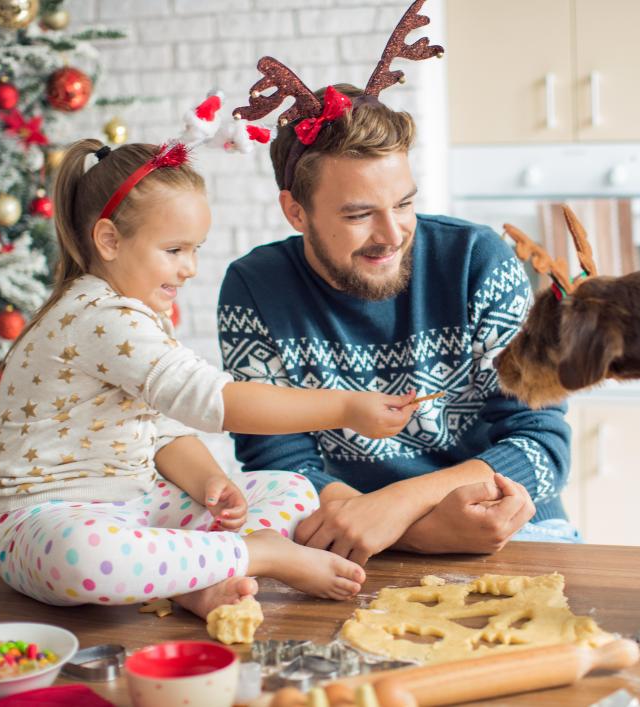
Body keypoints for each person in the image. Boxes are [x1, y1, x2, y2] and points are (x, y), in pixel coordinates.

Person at [0, 138, 417, 618]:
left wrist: (210, 481)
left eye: (195, 249)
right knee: (83, 557)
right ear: (109, 240)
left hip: (137, 504)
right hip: (43, 521)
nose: (189, 269)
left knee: (292, 490)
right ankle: (257, 554)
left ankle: (195, 581)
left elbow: (162, 428)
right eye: (174, 250)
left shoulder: (137, 315)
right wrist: (345, 408)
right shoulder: (100, 316)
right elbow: (214, 401)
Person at [218, 83, 576, 567]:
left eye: (404, 204)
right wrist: (417, 535)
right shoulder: (254, 289)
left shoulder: (477, 260)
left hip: (508, 527)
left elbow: (540, 442)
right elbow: (277, 464)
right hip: (349, 543)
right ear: (295, 211)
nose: (392, 236)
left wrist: (400, 506)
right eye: (360, 214)